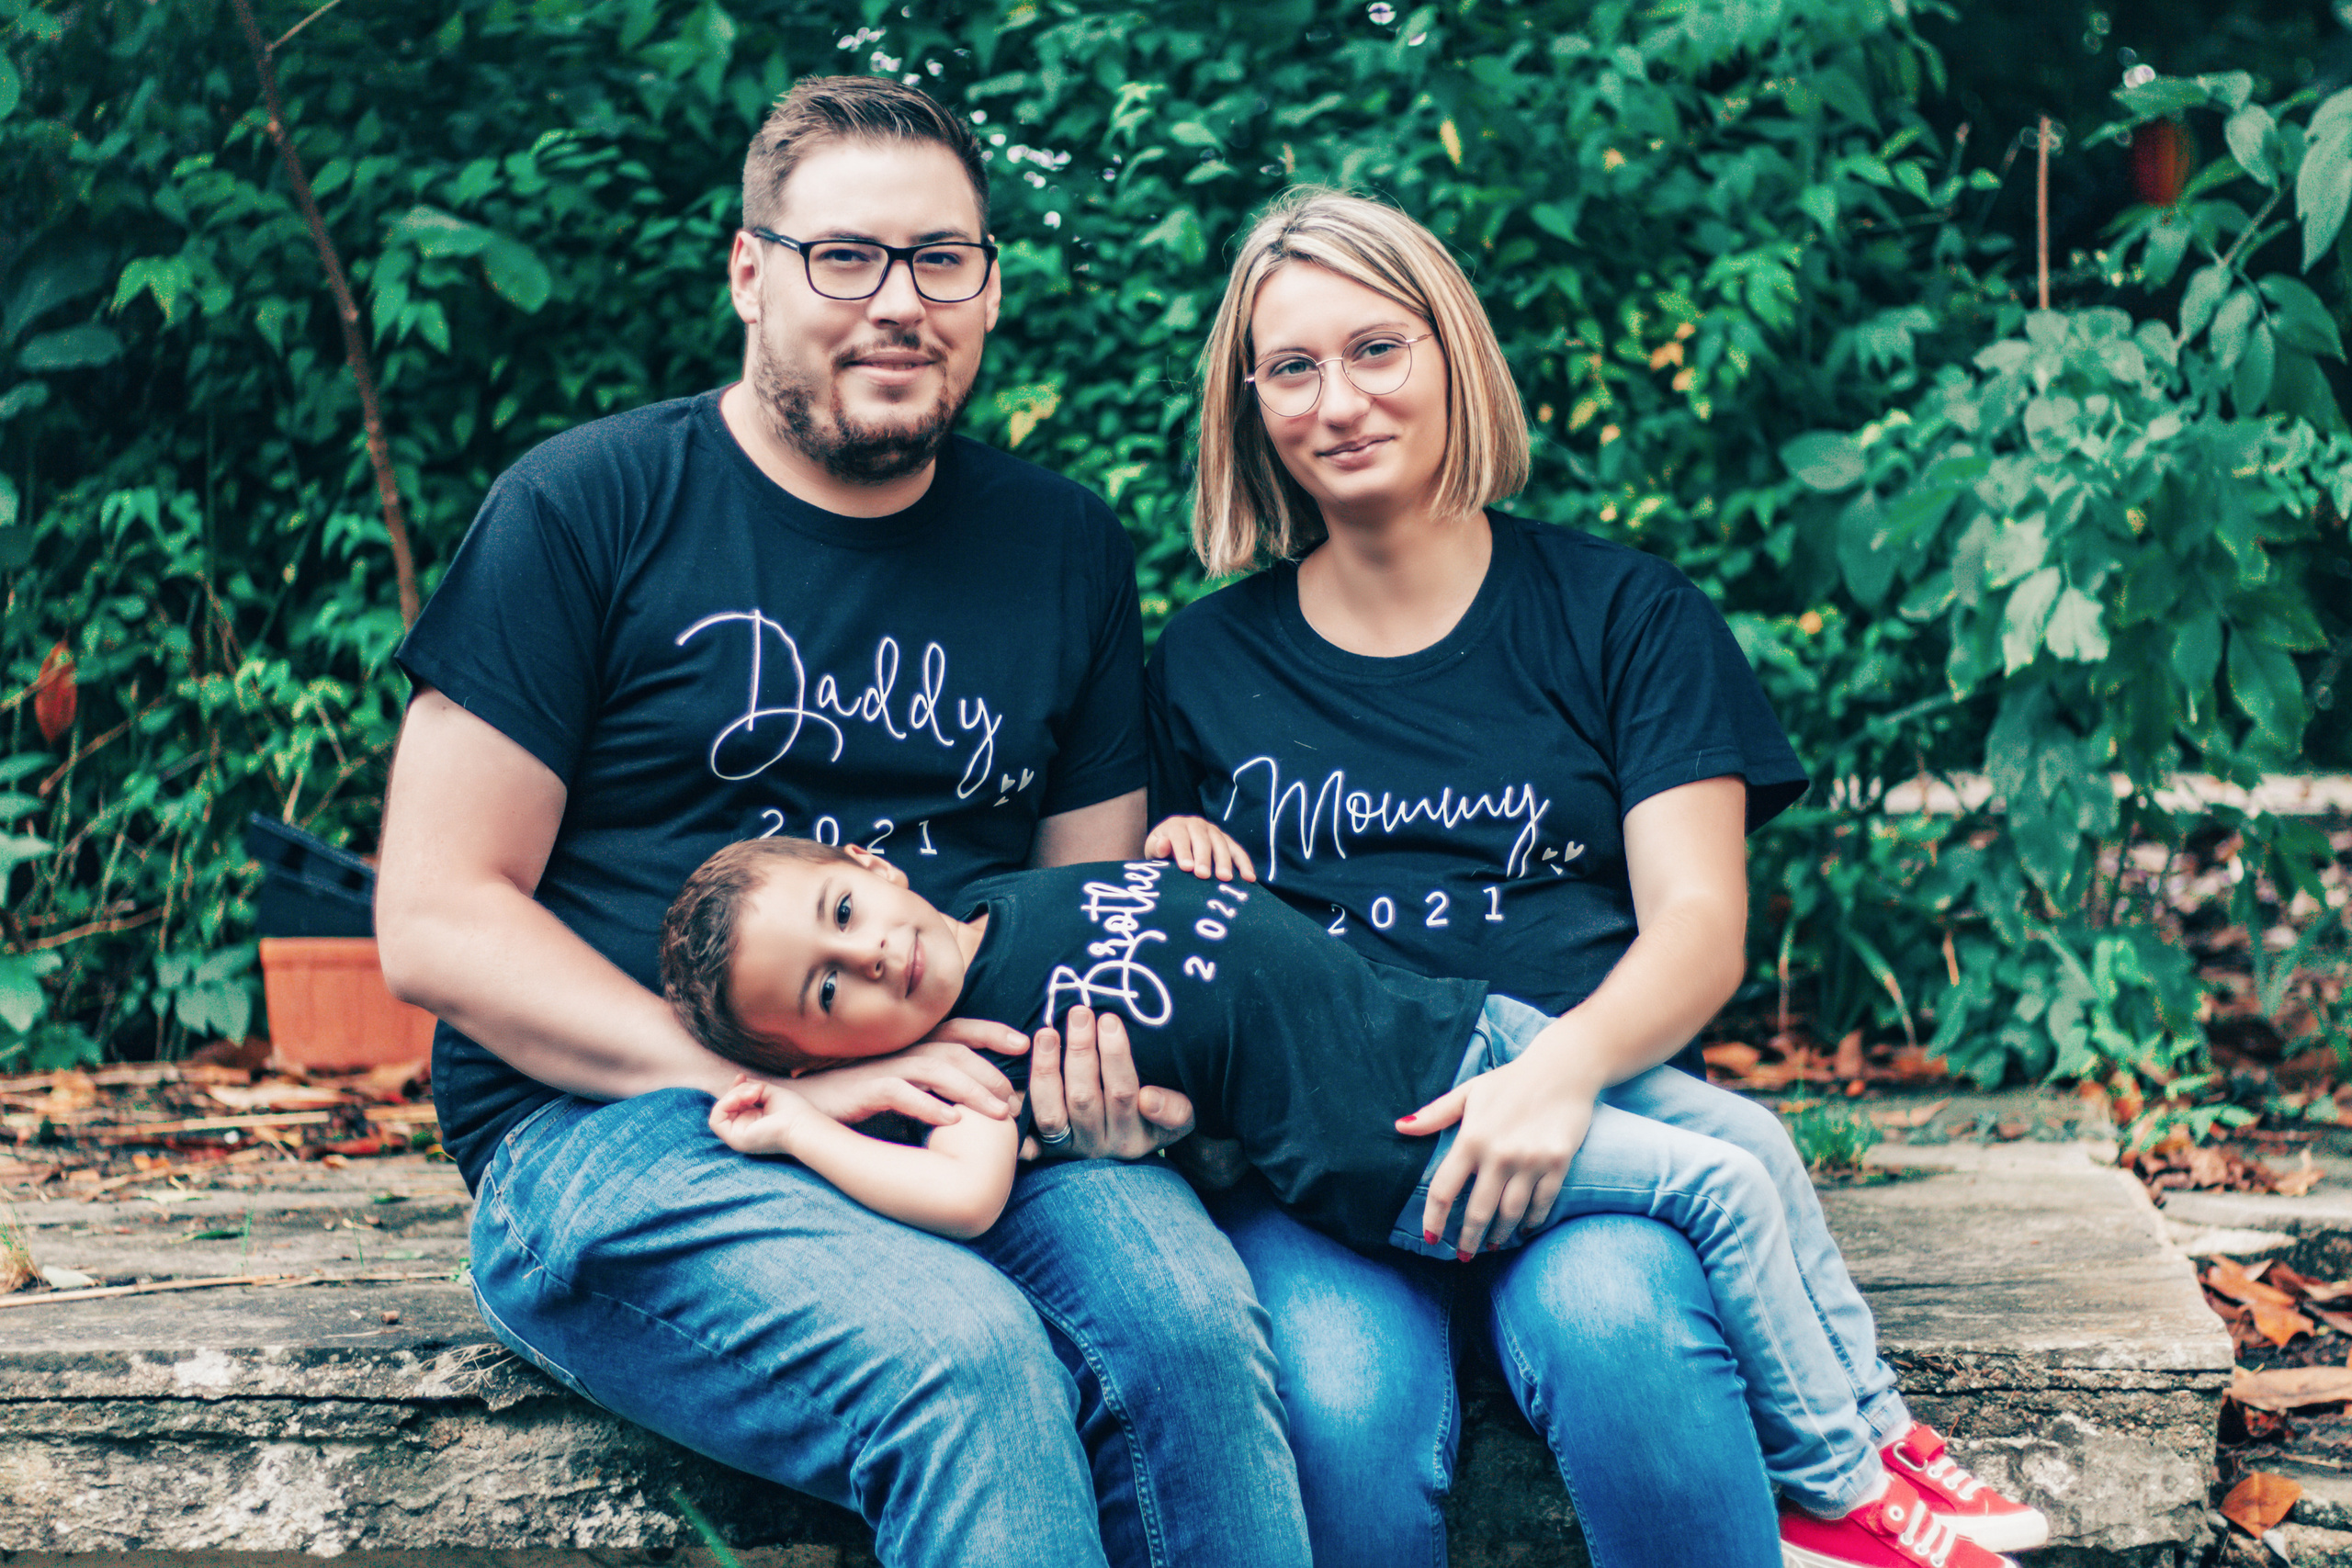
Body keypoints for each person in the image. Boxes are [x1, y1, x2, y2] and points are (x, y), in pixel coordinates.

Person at [371, 75, 1311, 1568]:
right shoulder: (589, 508)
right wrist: (785, 1101)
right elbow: (436, 916)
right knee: (966, 1361)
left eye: (943, 259)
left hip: (973, 1105)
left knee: (1190, 1331)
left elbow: (1092, 921)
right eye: (845, 257)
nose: (900, 303)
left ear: (989, 288)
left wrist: (1110, 1090)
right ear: (750, 272)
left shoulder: (1056, 543)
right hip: (622, 1124)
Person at [1121, 186, 2048, 1568]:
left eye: (1379, 349)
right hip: (1327, 1158)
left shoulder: (1624, 616)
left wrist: (1552, 1080)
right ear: (1248, 402)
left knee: (1625, 1331)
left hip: (1587, 1108)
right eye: (1293, 367)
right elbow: (1164, 944)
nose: (1339, 400)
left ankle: (1841, 1495)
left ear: (1454, 353)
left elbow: (1699, 925)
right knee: (1339, 1396)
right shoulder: (1199, 664)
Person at [660, 833, 2045, 1568]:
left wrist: (1185, 844)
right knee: (1722, 1188)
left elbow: (1186, 953)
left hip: (1459, 1032)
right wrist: (800, 1125)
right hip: (1419, 1151)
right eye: (824, 998)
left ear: (873, 870)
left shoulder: (1009, 898)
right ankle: (1834, 1491)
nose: (870, 961)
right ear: (813, 1049)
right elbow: (964, 1202)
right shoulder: (976, 1069)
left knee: (1748, 1144)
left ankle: (1881, 1433)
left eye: (842, 917)